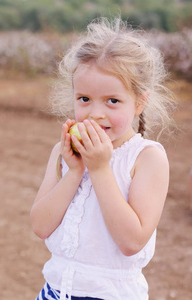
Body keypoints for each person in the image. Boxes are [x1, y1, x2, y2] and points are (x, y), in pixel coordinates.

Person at [30, 17, 176, 300]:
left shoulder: (147, 158)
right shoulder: (64, 151)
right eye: (84, 99)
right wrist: (74, 172)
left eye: (112, 101)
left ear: (140, 102)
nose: (96, 113)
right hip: (54, 292)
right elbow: (40, 226)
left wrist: (99, 169)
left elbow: (132, 241)